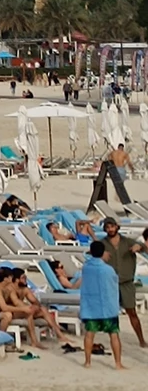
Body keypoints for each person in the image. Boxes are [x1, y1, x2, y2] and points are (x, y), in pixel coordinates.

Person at [99, 218, 145, 349]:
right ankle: (114, 341)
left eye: (112, 226)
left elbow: (144, 247)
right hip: (110, 283)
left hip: (126, 283)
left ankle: (141, 340)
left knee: (132, 312)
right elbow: (91, 251)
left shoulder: (127, 241)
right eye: (107, 227)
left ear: (117, 227)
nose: (110, 229)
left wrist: (139, 247)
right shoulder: (102, 243)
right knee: (111, 314)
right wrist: (100, 254)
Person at [79, 239, 125, 369]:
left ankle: (87, 362)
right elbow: (114, 282)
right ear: (103, 252)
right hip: (107, 306)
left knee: (89, 334)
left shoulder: (86, 268)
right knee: (114, 334)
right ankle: (118, 363)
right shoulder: (108, 269)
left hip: (91, 307)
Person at [87, 143, 131, 213]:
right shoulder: (124, 153)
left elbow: (109, 161)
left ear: (118, 147)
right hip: (121, 169)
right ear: (122, 148)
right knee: (121, 184)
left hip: (114, 169)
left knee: (117, 183)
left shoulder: (113, 153)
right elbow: (129, 162)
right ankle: (118, 194)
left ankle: (117, 193)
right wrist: (132, 169)